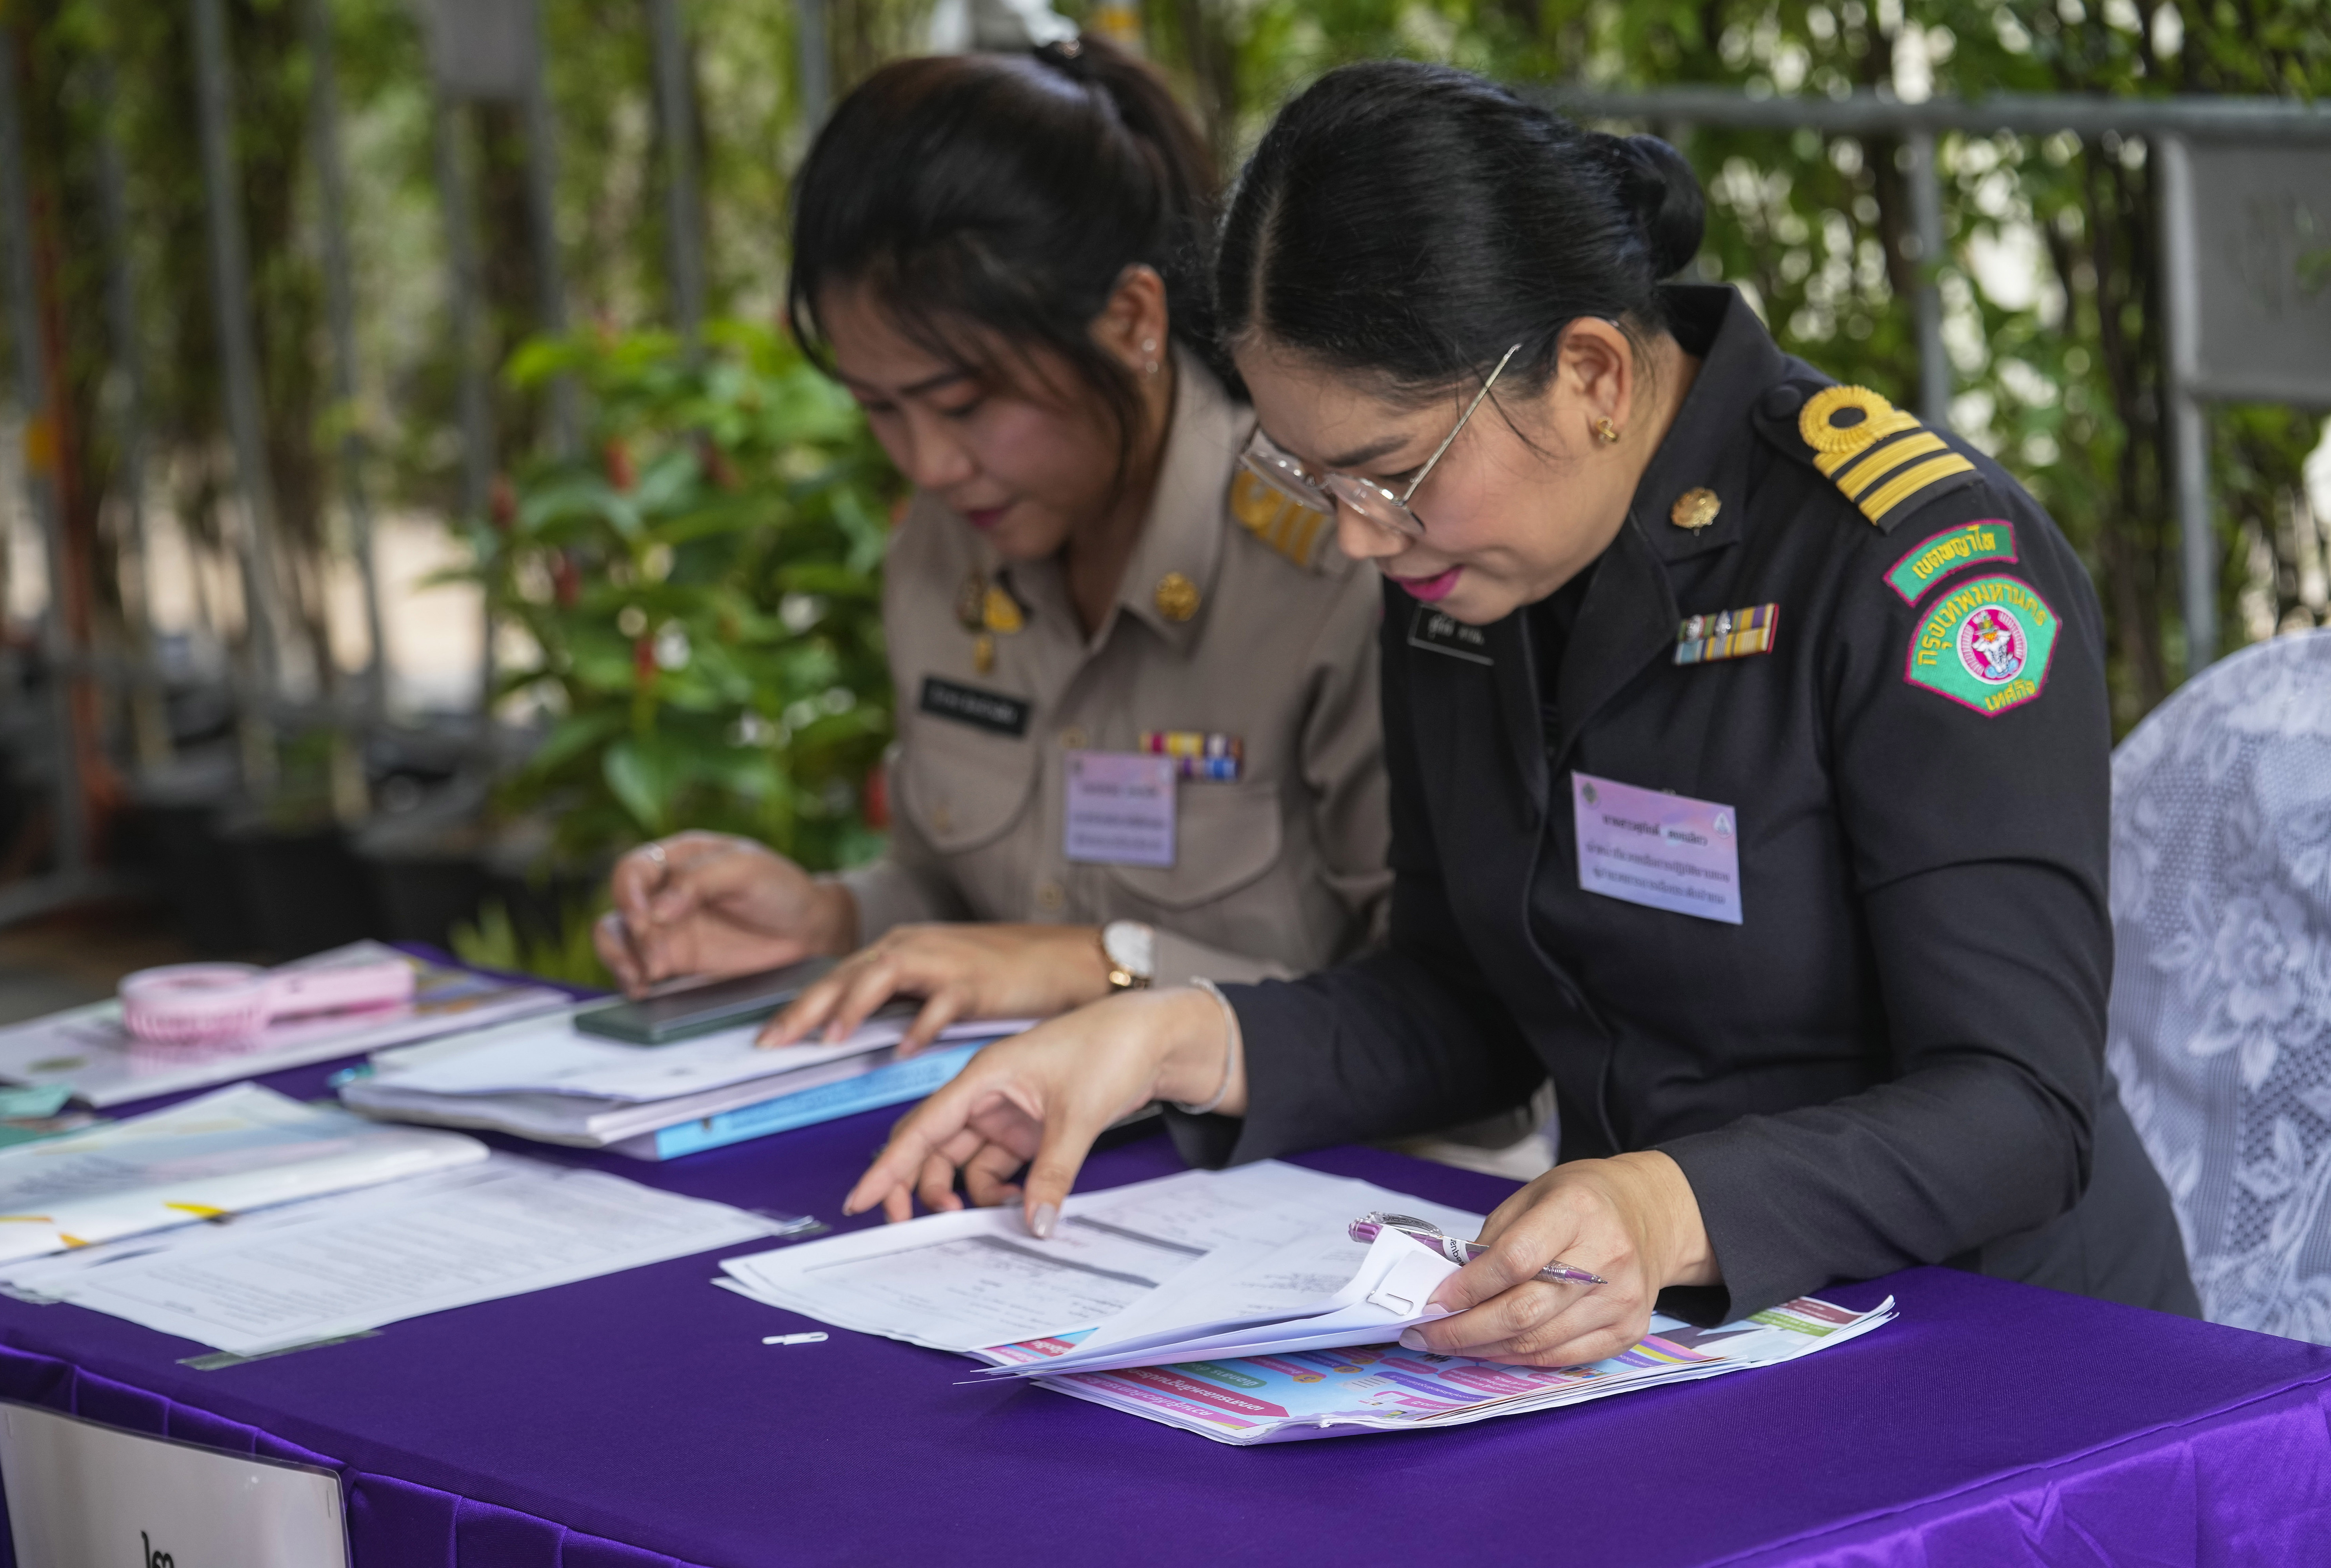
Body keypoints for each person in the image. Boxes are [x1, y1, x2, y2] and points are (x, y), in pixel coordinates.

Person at [845, 60, 2198, 1367]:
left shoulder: (1915, 572)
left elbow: (2021, 1108)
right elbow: (1468, 1006)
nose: (1359, 536)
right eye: (1314, 478)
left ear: (1595, 375)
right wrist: (1180, 1036)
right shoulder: (1461, 566)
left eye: (1389, 470)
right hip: (1660, 1335)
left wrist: (1666, 1208)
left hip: (2003, 1355)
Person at [596, 40, 1391, 1064]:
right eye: (880, 410)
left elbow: (1434, 1015)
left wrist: (1098, 965)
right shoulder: (942, 559)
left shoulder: (1334, 563)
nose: (929, 464)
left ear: (1132, 321)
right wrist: (831, 920)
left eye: (969, 404)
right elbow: (955, 897)